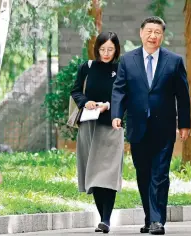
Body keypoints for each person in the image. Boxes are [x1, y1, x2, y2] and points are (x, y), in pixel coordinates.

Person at [111, 16, 191, 235]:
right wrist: (117, 114)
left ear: (162, 36)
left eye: (157, 32)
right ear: (141, 33)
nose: (153, 36)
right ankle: (149, 218)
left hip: (164, 128)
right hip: (138, 127)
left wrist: (184, 124)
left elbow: (183, 96)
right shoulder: (128, 60)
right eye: (149, 31)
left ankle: (158, 221)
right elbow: (119, 89)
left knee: (160, 174)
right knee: (143, 174)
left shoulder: (173, 61)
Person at [71, 31, 124, 234]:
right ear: (97, 49)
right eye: (102, 49)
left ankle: (107, 219)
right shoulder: (87, 67)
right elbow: (76, 91)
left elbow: (126, 95)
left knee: (108, 174)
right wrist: (87, 102)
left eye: (110, 49)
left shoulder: (120, 69)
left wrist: (110, 105)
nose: (106, 53)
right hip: (89, 126)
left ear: (116, 49)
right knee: (92, 173)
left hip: (112, 126)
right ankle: (102, 218)